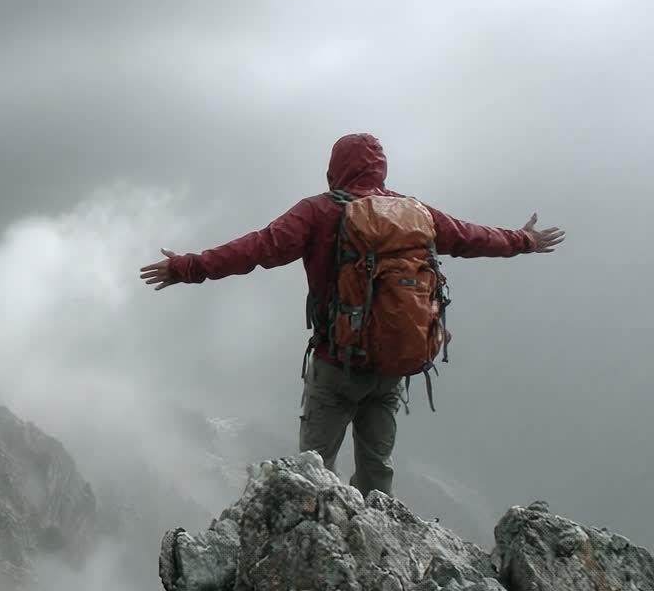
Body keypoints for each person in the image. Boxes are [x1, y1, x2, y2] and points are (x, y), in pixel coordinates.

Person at [138, 133, 565, 497]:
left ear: (334, 170)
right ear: (381, 170)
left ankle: (316, 565)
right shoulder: (415, 214)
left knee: (314, 474)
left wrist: (186, 267)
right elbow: (472, 237)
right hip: (392, 363)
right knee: (377, 473)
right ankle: (380, 559)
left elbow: (255, 249)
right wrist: (523, 240)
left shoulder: (318, 212)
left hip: (336, 364)